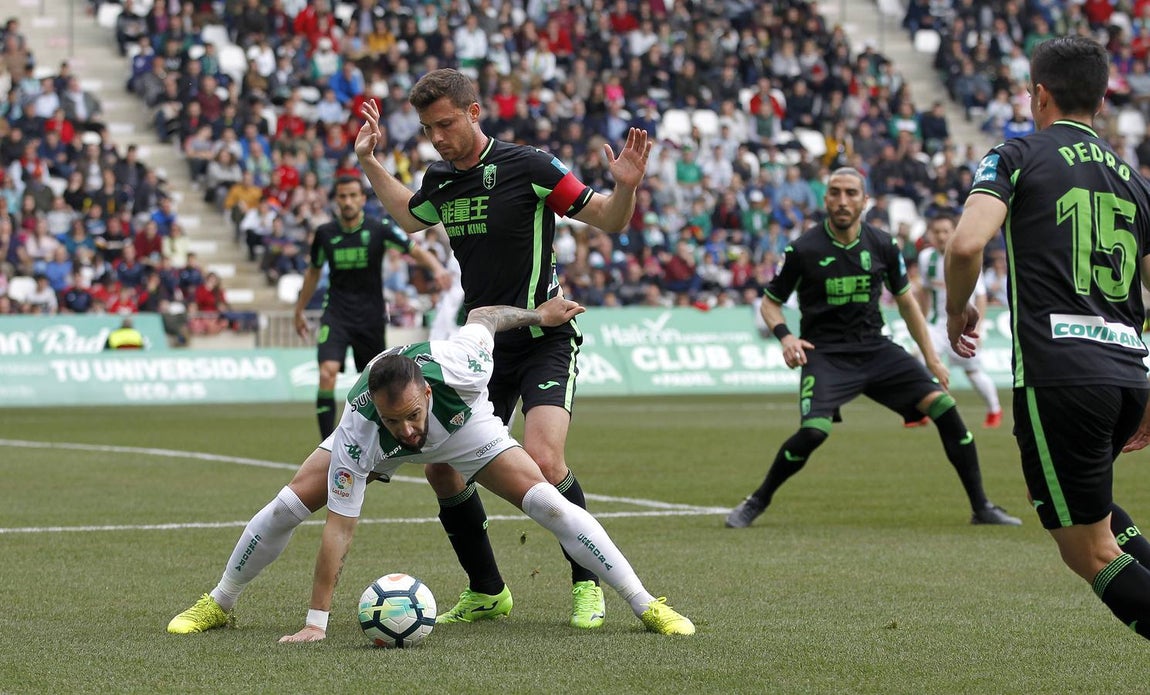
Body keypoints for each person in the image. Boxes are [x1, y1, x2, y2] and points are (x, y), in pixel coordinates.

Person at [167, 297, 695, 638]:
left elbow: (485, 317)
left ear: (425, 389)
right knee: (288, 505)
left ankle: (646, 604)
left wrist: (539, 317)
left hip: (467, 430)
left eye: (411, 415)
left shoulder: (459, 363)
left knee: (548, 502)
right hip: (373, 448)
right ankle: (220, 602)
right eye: (395, 420)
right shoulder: (362, 426)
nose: (408, 430)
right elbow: (339, 529)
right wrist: (316, 623)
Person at [352, 69, 652, 629]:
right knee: (443, 469)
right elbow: (409, 216)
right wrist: (370, 162)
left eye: (445, 124)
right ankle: (488, 591)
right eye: (426, 128)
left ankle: (588, 583)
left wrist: (627, 186)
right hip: (482, 346)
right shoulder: (439, 178)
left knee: (545, 460)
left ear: (474, 112)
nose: (437, 138)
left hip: (544, 336)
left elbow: (609, 218)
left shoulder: (531, 166)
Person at [945, 36, 1150, 640]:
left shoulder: (1016, 155)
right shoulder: (1135, 182)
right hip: (1126, 376)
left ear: (1039, 94)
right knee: (1101, 518)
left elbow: (964, 244)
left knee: (1088, 551)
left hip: (1062, 374)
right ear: (1103, 97)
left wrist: (958, 309)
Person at [725, 167, 1022, 529]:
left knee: (944, 407)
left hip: (876, 351)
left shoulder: (883, 244)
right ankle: (757, 501)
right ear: (826, 199)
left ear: (865, 201)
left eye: (851, 193)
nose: (842, 200)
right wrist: (786, 336)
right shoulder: (803, 249)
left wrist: (931, 358)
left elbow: (908, 303)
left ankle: (982, 507)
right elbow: (769, 304)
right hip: (826, 355)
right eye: (835, 192)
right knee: (814, 431)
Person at [293, 175, 447, 440]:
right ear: (336, 200)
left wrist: (436, 268)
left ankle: (382, 439)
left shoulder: (380, 228)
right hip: (336, 315)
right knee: (327, 373)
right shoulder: (325, 234)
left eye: (353, 195)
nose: (348, 201)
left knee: (377, 383)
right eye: (342, 196)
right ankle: (328, 444)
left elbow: (413, 249)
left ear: (362, 199)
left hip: (370, 317)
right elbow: (313, 272)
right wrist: (299, 310)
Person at [915, 213, 1003, 428]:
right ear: (930, 235)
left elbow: (981, 296)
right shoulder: (926, 257)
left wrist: (979, 327)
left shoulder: (966, 256)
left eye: (946, 231)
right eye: (937, 232)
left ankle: (994, 410)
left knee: (972, 371)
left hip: (962, 325)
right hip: (936, 324)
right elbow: (925, 290)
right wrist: (924, 320)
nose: (942, 236)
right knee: (921, 362)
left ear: (954, 232)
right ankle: (928, 410)